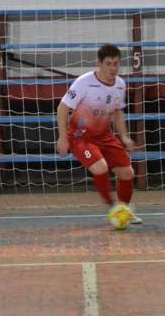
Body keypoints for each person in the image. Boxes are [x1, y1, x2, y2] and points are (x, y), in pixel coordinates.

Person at [56, 44, 142, 226]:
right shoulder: (84, 82)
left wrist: (125, 136)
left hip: (105, 136)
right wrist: (63, 138)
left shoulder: (120, 84)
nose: (113, 68)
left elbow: (118, 112)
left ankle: (124, 210)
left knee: (127, 173)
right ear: (99, 63)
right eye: (109, 64)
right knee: (100, 167)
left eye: (116, 64)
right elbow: (62, 108)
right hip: (81, 137)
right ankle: (114, 209)